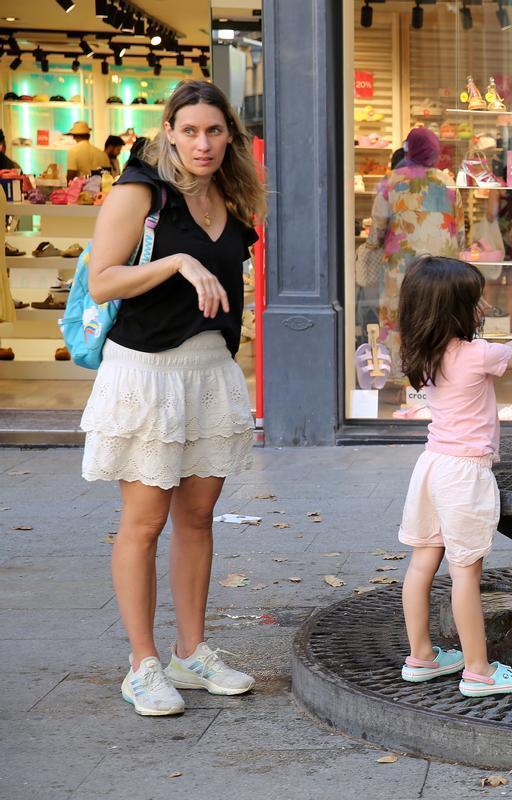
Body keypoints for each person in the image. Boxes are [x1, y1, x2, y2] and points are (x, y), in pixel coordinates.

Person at [80, 80, 266, 716]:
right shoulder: (141, 190)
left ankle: (192, 652)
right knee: (145, 520)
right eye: (189, 130)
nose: (202, 143)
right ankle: (142, 664)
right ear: (168, 131)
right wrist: (176, 264)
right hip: (146, 374)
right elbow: (102, 281)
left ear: (229, 136)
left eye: (214, 130)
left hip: (208, 370)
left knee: (196, 517)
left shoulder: (232, 195)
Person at [396, 256, 512, 697]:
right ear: (455, 310)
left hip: (432, 466)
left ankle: (421, 655)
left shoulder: (426, 350)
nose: (482, 306)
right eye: (475, 300)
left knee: (423, 562)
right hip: (465, 475)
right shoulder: (474, 354)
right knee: (465, 572)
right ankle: (478, 670)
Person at [361, 126, 460, 359]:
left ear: (409, 150)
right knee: (436, 315)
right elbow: (459, 230)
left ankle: (398, 372)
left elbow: (377, 227)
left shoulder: (392, 181)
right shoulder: (448, 182)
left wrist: (373, 246)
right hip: (441, 267)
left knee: (398, 318)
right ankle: (436, 369)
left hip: (401, 266)